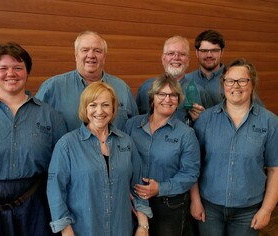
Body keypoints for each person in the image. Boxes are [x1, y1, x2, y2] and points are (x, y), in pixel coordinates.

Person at [0, 42, 67, 236]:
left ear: (27, 72)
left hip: (35, 208)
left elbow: (64, 168)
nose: (11, 74)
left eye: (18, 68)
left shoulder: (50, 116)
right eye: (3, 68)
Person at [46, 81, 152, 236]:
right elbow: (55, 191)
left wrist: (143, 226)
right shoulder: (67, 145)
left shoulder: (126, 142)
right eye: (93, 105)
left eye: (105, 105)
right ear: (85, 108)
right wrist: (66, 231)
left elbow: (138, 186)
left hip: (121, 228)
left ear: (113, 108)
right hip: (82, 229)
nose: (99, 111)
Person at [190, 58, 278, 236]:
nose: (235, 86)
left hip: (248, 211)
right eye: (230, 81)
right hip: (209, 208)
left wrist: (267, 210)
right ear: (223, 85)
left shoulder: (270, 122)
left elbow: (275, 169)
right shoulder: (206, 120)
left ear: (252, 84)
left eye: (242, 80)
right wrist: (195, 201)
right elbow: (192, 165)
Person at [124, 73, 200, 235]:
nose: (168, 99)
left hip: (168, 206)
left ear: (178, 101)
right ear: (152, 98)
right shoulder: (131, 126)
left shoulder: (186, 134)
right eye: (162, 94)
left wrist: (160, 188)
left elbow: (190, 173)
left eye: (173, 95)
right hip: (133, 203)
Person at [36, 30, 138, 132]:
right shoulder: (52, 87)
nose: (91, 55)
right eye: (85, 50)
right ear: (76, 55)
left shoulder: (122, 88)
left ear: (104, 57)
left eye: (97, 51)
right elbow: (35, 127)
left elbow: (135, 128)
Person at [136, 35, 213, 125]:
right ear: (163, 59)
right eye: (171, 53)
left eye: (182, 54)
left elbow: (211, 127)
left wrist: (204, 118)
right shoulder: (145, 88)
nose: (176, 57)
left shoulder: (199, 92)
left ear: (188, 60)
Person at [185, 29, 225, 105]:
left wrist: (205, 115)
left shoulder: (234, 81)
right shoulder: (186, 80)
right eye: (204, 51)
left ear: (222, 52)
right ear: (197, 53)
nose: (209, 55)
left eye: (214, 50)